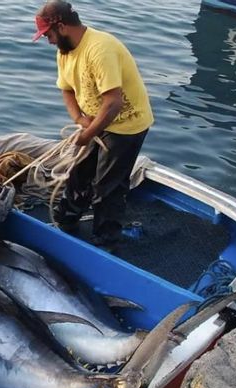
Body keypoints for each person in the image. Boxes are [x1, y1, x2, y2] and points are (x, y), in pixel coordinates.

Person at [33, 0, 153, 247]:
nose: (49, 41)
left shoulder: (100, 49)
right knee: (80, 174)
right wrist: (79, 119)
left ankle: (106, 239)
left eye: (49, 34)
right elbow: (67, 90)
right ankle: (66, 219)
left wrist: (87, 135)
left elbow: (113, 103)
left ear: (62, 26)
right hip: (94, 122)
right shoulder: (65, 52)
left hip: (125, 124)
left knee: (107, 187)